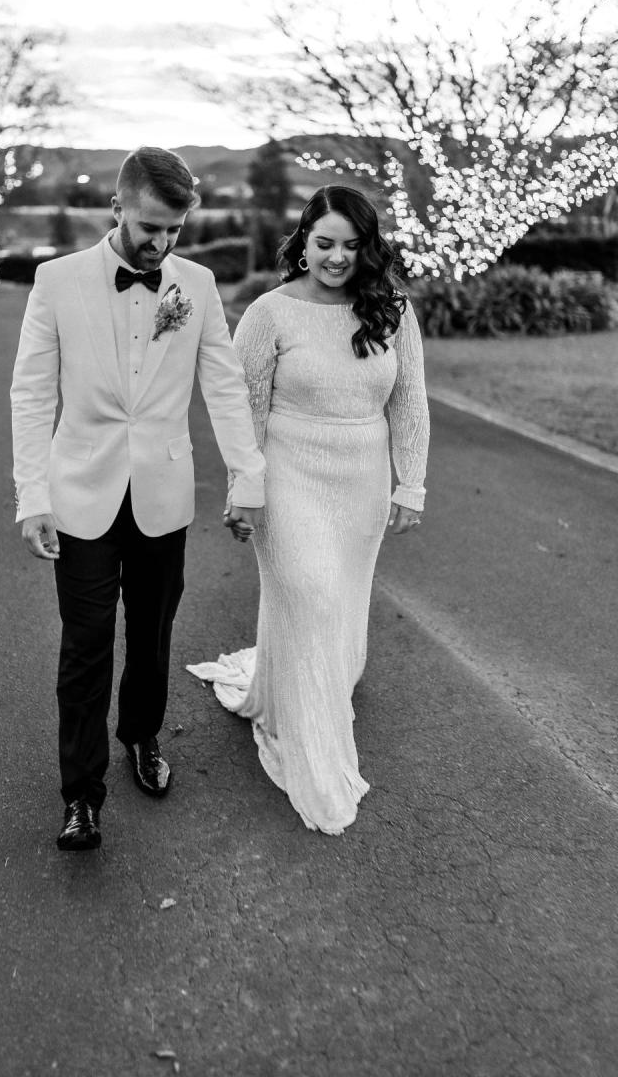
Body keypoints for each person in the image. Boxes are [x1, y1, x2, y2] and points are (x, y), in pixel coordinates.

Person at [11, 146, 265, 851]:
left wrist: (249, 479)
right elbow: (31, 394)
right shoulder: (56, 281)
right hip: (80, 493)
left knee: (152, 638)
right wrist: (32, 495)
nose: (161, 243)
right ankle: (80, 795)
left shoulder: (199, 286)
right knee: (86, 646)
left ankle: (142, 737)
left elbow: (224, 386)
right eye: (150, 227)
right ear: (116, 208)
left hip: (163, 492)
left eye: (175, 231)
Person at [188, 185, 429, 835]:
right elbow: (244, 410)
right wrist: (245, 486)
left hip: (362, 483)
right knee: (312, 595)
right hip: (290, 478)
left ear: (367, 248)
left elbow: (409, 403)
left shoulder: (391, 311)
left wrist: (412, 485)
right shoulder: (271, 313)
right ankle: (304, 736)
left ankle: (317, 683)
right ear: (303, 242)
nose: (337, 257)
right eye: (325, 243)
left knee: (342, 600)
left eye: (351, 245)